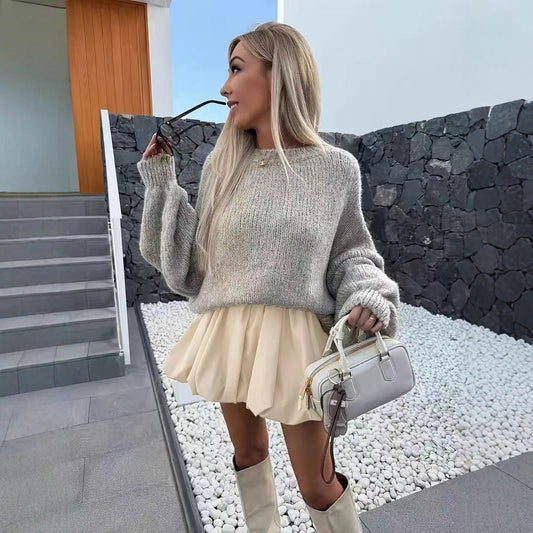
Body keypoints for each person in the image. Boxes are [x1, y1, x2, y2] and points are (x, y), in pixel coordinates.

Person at [137, 21, 400, 533]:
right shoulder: (223, 166)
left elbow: (352, 254)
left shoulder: (335, 169)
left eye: (237, 70)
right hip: (228, 332)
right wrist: (161, 185)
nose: (224, 87)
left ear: (280, 75)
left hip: (297, 345)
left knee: (317, 484)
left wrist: (368, 294)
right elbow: (189, 266)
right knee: (249, 454)